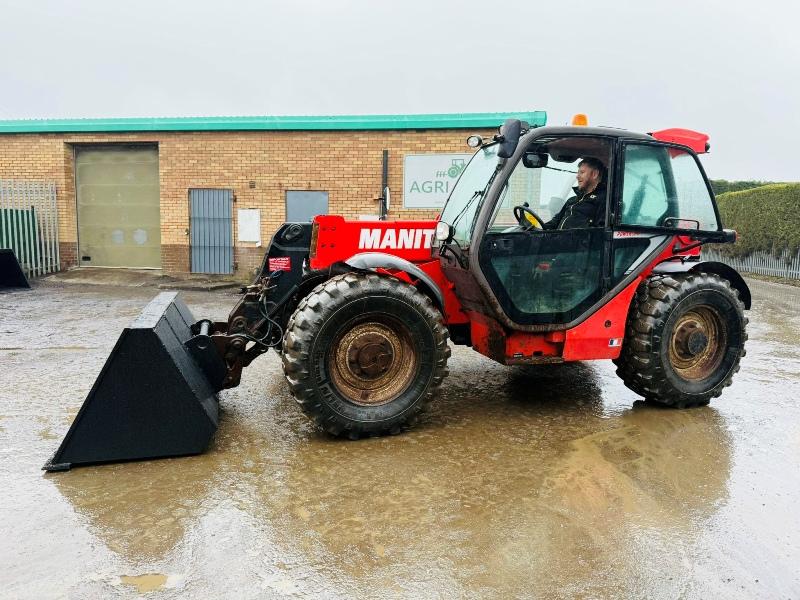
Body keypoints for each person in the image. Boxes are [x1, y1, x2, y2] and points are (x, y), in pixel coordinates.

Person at [543, 157, 606, 230]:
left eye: (582, 172)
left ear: (595, 174)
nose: (577, 176)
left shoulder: (604, 200)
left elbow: (600, 231)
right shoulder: (572, 200)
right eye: (578, 173)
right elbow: (554, 223)